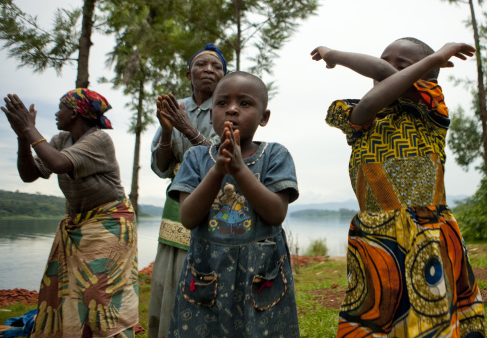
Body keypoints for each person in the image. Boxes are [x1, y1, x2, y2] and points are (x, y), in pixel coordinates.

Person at [311, 39, 485, 337]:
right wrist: (435, 58)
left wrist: (334, 55)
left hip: (426, 229)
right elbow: (374, 90)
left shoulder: (431, 110)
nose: (388, 68)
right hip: (375, 236)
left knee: (432, 309)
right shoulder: (360, 118)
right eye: (384, 61)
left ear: (428, 76)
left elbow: (384, 73)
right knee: (378, 311)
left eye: (403, 65)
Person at [166, 71, 300, 337]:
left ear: (264, 117)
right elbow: (188, 218)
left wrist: (239, 169)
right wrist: (218, 171)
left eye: (245, 103)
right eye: (222, 103)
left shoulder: (275, 155)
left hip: (261, 272)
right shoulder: (195, 158)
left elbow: (276, 214)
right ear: (212, 111)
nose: (232, 110)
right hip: (208, 270)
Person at [1, 89, 138, 338]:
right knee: (67, 291)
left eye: (60, 108)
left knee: (99, 295)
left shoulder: (99, 140)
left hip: (109, 224)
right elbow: (29, 175)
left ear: (74, 112)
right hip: (78, 225)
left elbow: (60, 164)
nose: (56, 113)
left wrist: (29, 129)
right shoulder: (60, 140)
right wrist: (23, 137)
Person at [148, 43, 227, 338]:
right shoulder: (175, 107)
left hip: (217, 201)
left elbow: (225, 158)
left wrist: (188, 130)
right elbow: (161, 168)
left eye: (216, 67)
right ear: (188, 74)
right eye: (201, 65)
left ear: (224, 76)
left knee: (209, 270)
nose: (208, 70)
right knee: (172, 273)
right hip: (178, 199)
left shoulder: (226, 108)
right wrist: (168, 131)